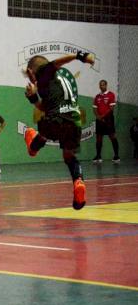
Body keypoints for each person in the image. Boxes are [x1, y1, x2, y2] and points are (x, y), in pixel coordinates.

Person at [23, 51, 95, 210]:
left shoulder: (43, 72)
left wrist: (80, 56)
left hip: (56, 120)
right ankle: (78, 182)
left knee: (43, 131)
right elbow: (45, 106)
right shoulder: (54, 81)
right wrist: (33, 98)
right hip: (74, 122)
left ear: (30, 71)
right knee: (69, 156)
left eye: (28, 75)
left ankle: (33, 145)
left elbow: (57, 62)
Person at [92, 80, 120, 164]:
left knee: (112, 137)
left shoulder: (111, 94)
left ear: (106, 85)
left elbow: (111, 108)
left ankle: (116, 156)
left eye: (103, 85)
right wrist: (98, 117)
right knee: (99, 138)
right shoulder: (97, 96)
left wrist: (103, 116)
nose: (101, 86)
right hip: (99, 120)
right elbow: (94, 108)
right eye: (100, 85)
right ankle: (98, 156)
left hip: (108, 119)